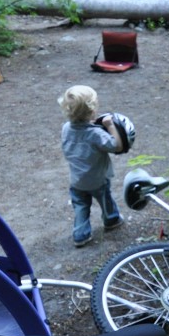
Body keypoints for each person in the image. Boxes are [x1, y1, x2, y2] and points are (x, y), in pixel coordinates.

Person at [59, 85, 125, 248]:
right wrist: (110, 126)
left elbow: (79, 136)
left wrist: (91, 123)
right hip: (97, 180)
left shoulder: (66, 128)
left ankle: (80, 235)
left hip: (77, 181)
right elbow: (116, 146)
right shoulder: (96, 134)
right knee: (105, 199)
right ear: (92, 110)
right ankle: (111, 219)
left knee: (81, 207)